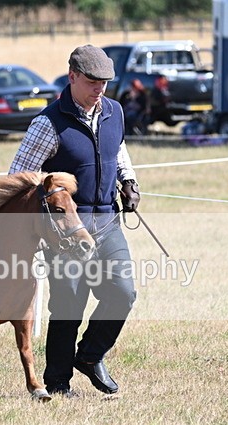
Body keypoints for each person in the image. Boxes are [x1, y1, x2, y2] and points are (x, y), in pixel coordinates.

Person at [9, 44, 140, 396]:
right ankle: (57, 381)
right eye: (93, 81)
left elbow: (117, 150)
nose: (100, 89)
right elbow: (18, 176)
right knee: (69, 304)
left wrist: (128, 182)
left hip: (108, 222)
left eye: (105, 83)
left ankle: (90, 355)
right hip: (66, 229)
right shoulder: (48, 123)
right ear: (72, 77)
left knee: (123, 293)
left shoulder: (113, 111)